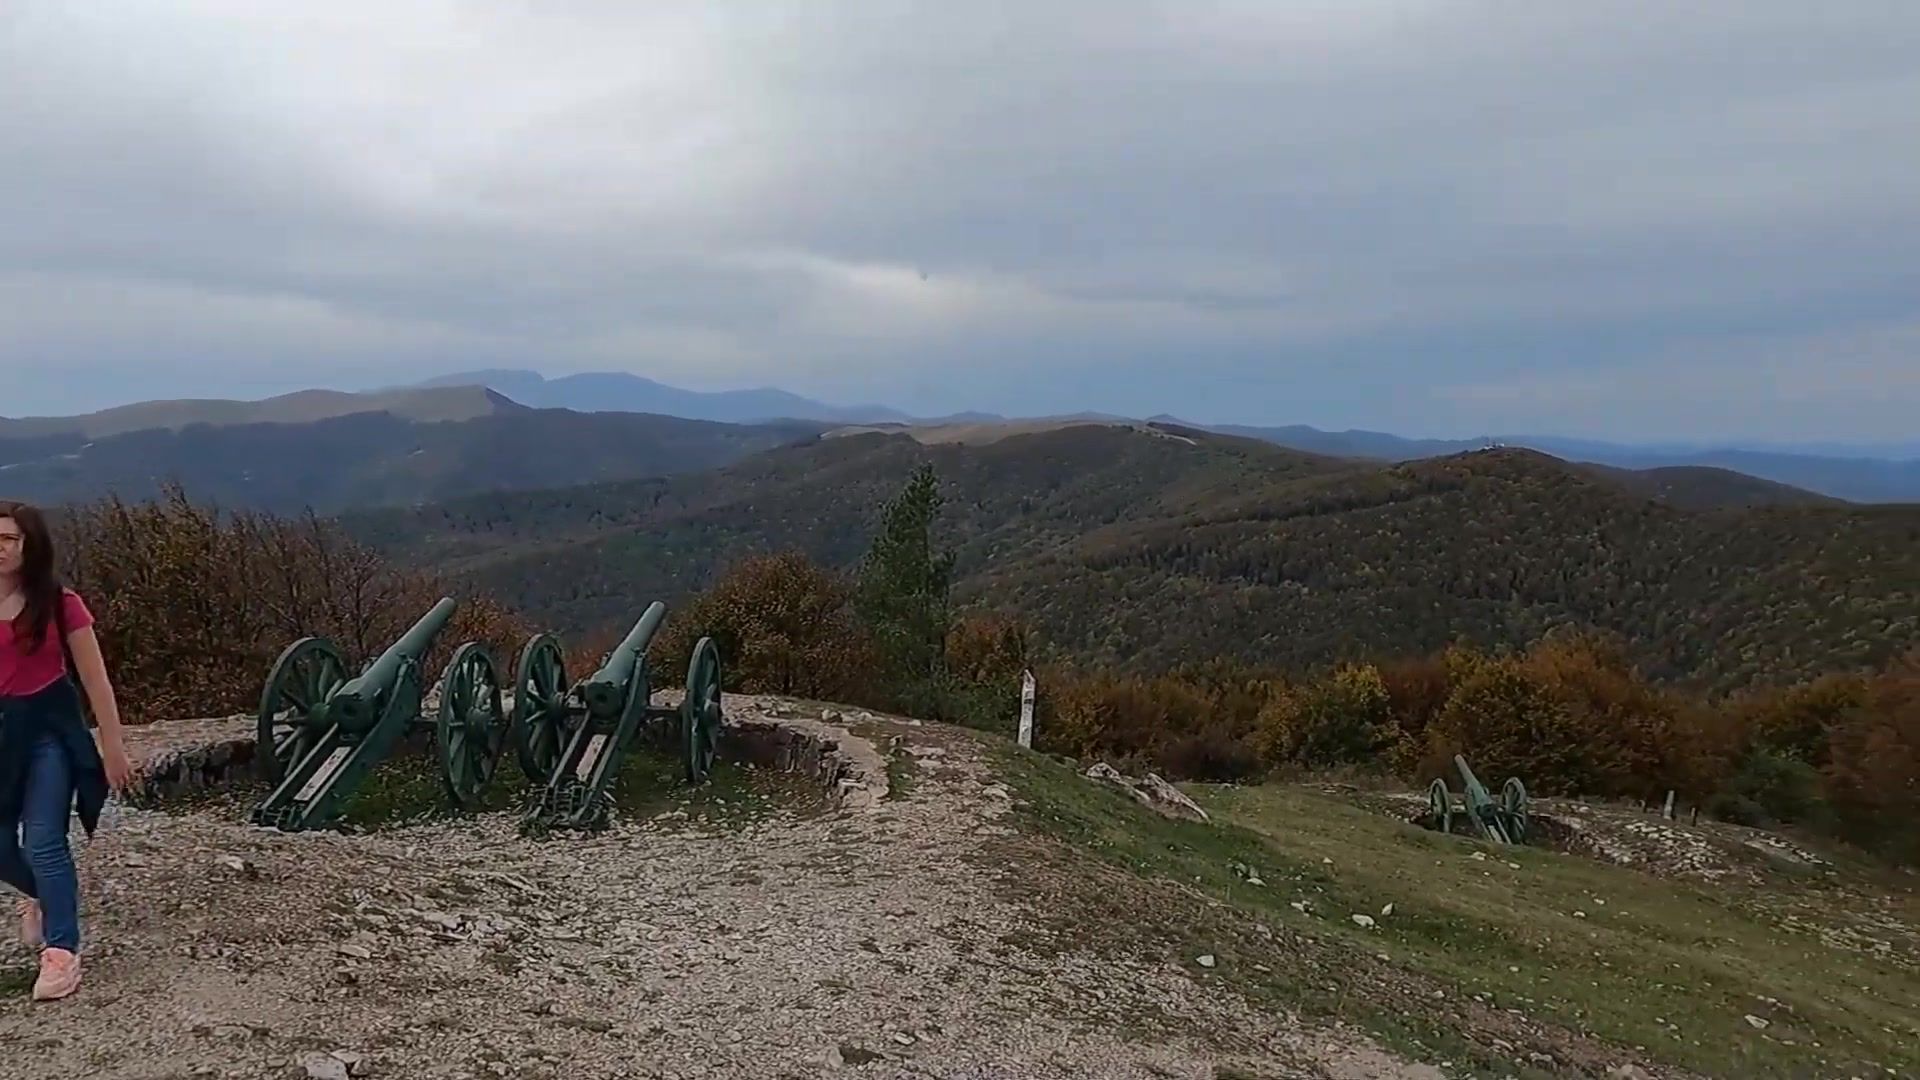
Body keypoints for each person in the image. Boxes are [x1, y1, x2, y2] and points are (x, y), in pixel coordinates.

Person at [0, 501, 133, 1001]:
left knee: (43, 839)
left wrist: (112, 745)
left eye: (9, 538)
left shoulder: (59, 602)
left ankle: (61, 952)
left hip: (51, 732)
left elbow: (96, 680)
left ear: (29, 544)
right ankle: (43, 896)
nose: (0, 548)